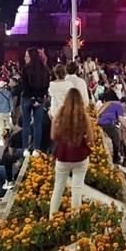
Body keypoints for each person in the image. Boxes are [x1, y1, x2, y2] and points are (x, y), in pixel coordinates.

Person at [49, 88, 91, 217]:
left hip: (63, 154)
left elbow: (53, 136)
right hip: (80, 155)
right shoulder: (84, 116)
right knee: (77, 188)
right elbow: (91, 138)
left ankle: (52, 217)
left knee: (58, 188)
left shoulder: (60, 114)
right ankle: (75, 218)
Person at [21, 49, 50, 154]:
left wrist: (32, 97)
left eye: (27, 56)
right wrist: (38, 98)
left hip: (27, 98)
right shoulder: (45, 69)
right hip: (40, 99)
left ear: (31, 57)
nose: (25, 58)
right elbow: (46, 86)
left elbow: (25, 86)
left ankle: (25, 149)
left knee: (26, 124)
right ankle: (36, 149)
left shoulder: (25, 69)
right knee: (38, 125)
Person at [97, 90, 126, 165]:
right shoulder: (118, 105)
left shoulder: (108, 103)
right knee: (116, 139)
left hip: (100, 122)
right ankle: (116, 158)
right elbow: (121, 119)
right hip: (107, 123)